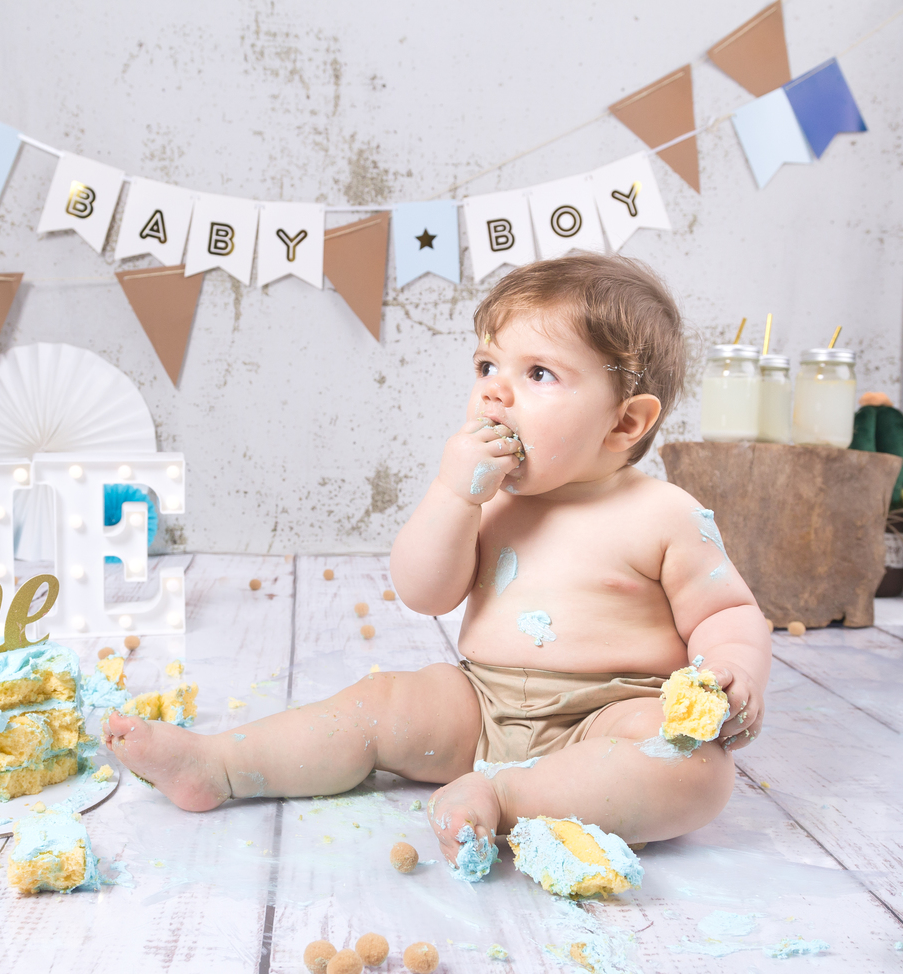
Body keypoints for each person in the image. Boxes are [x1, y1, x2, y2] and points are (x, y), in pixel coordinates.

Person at [104, 253, 770, 868]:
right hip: (481, 701)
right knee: (381, 704)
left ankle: (504, 798)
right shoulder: (487, 500)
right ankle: (221, 765)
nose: (494, 393)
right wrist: (453, 496)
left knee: (697, 770)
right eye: (487, 366)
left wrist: (732, 669)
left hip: (612, 716)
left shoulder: (664, 514)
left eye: (538, 374)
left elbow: (727, 612)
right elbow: (424, 593)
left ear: (624, 422)